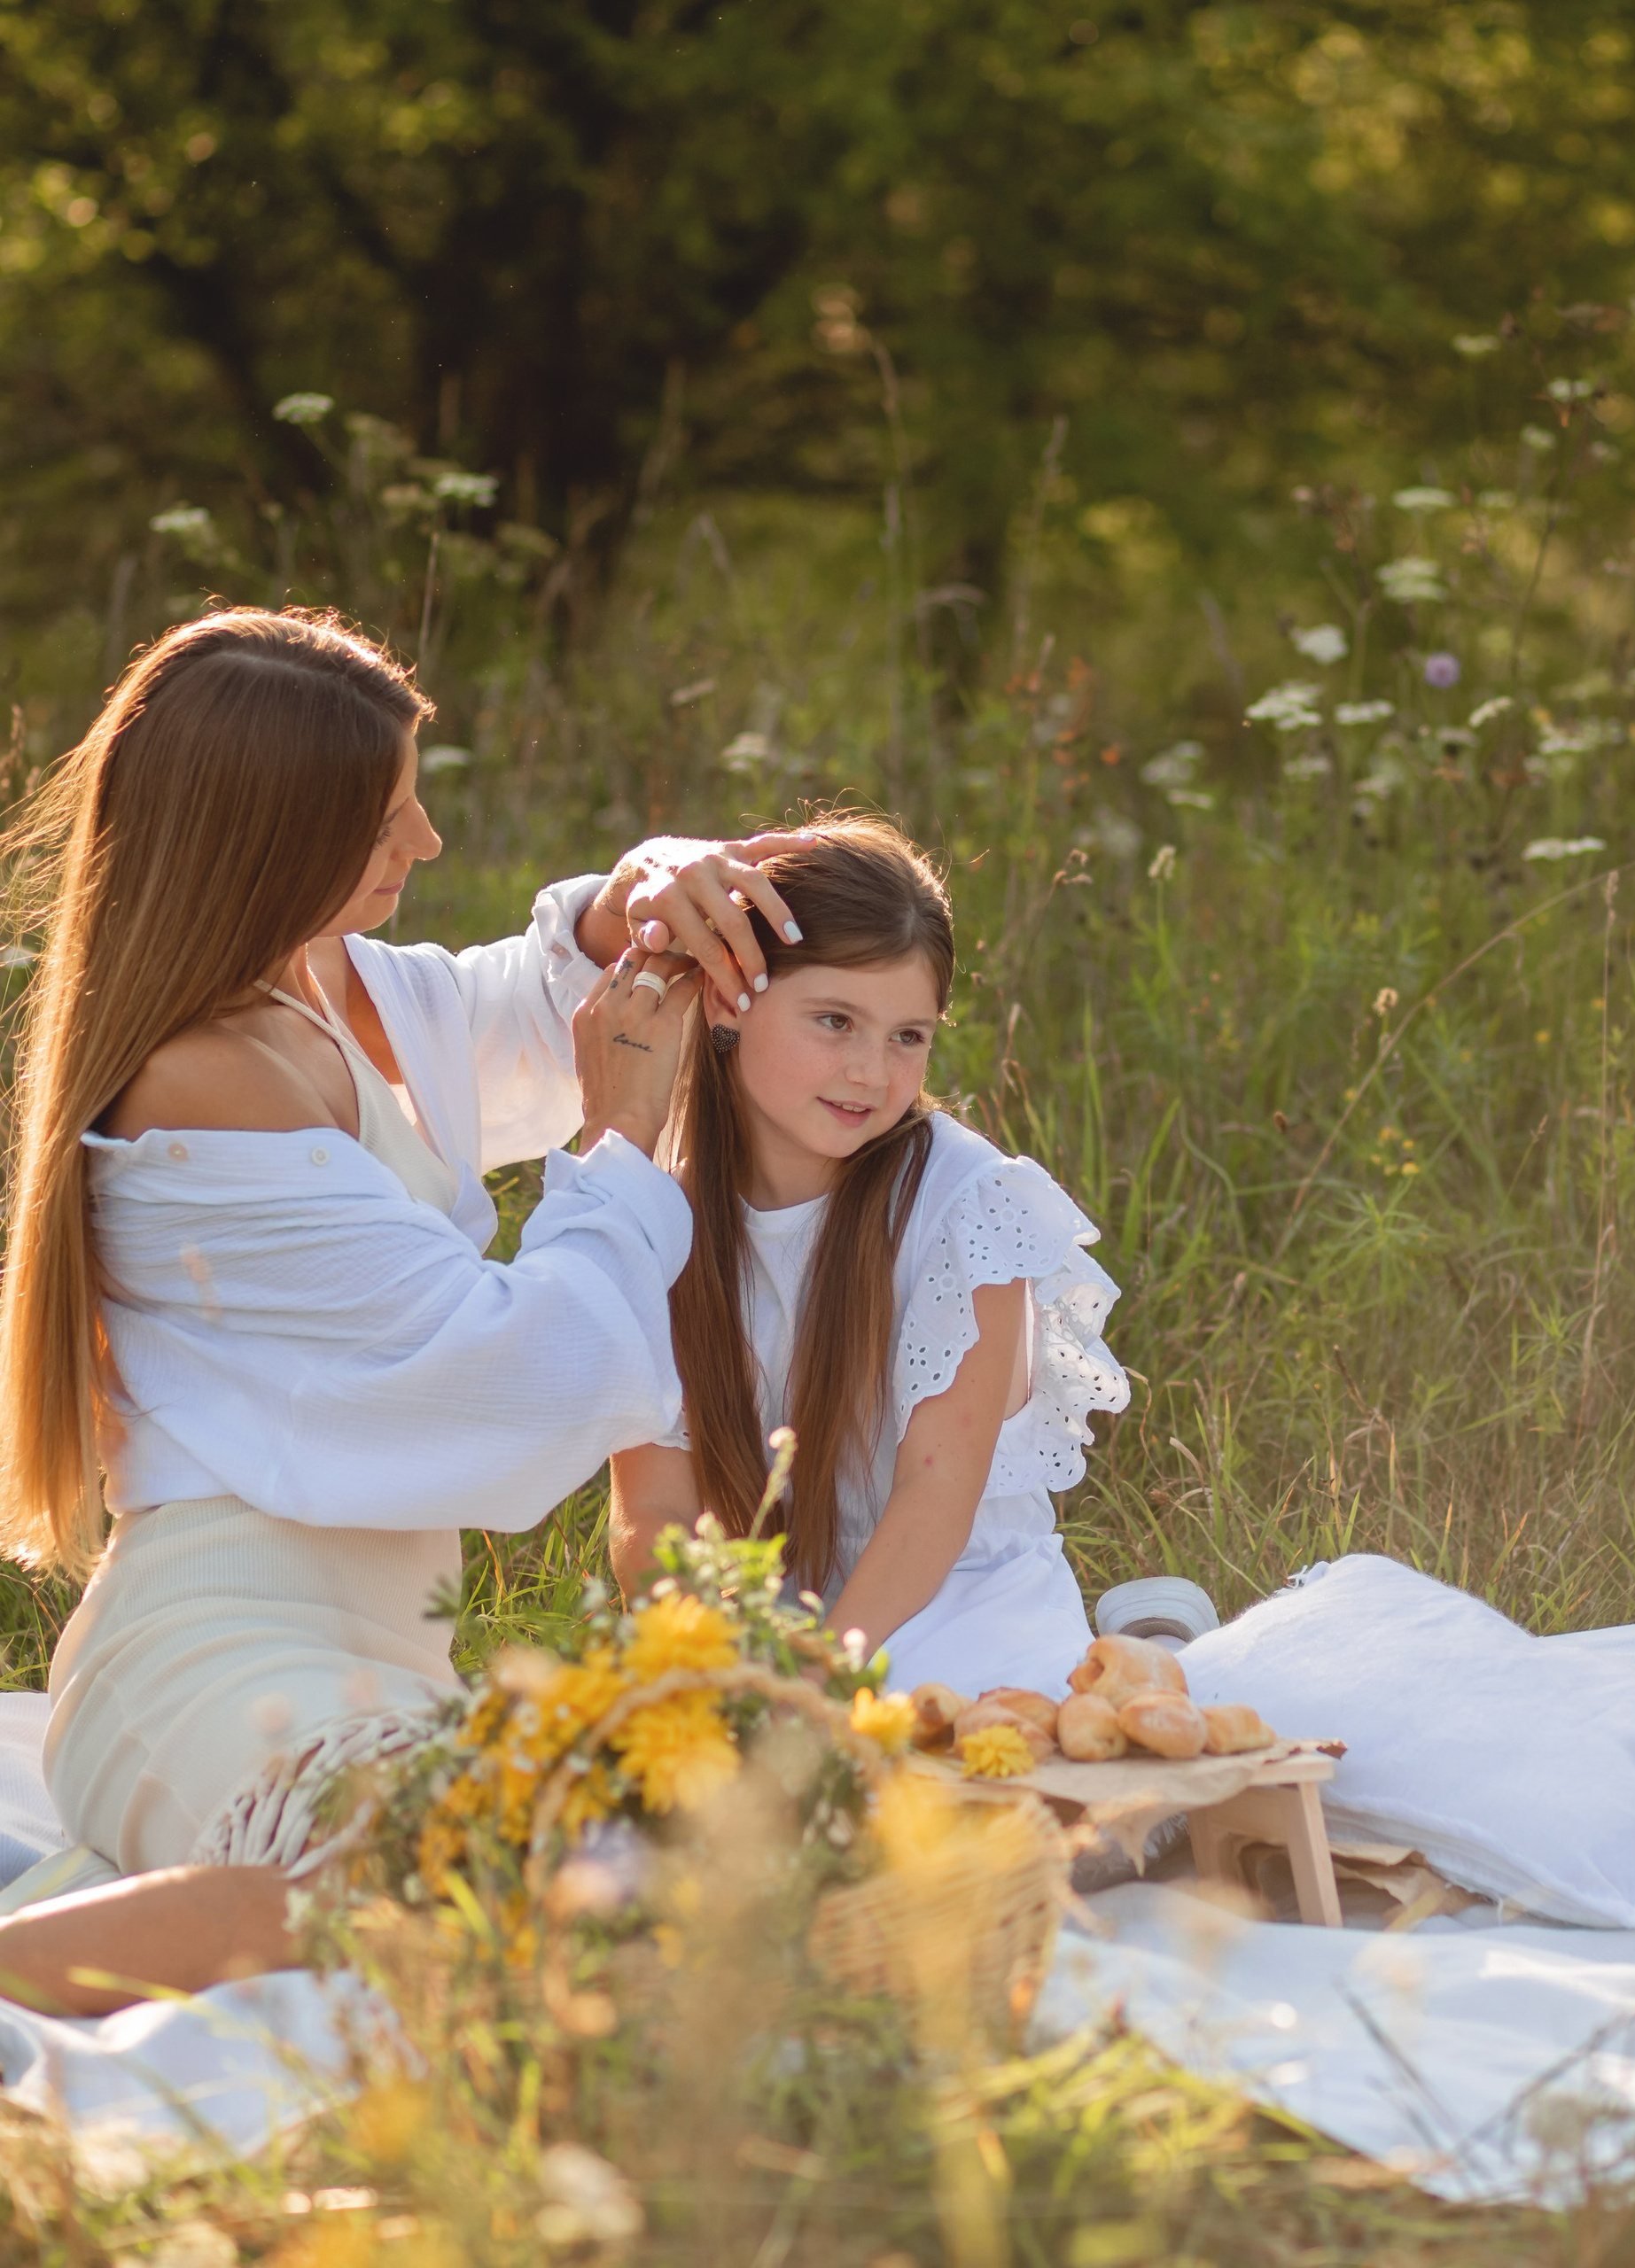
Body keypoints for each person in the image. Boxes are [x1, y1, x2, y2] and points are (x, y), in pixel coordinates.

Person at [0, 607, 805, 2013]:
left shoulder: (318, 987)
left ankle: (133, 1912)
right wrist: (619, 1127)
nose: (424, 844)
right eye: (385, 820)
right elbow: (503, 1372)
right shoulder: (211, 1078)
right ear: (270, 844)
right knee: (442, 1900)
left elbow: (503, 1012)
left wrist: (641, 894)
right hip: (216, 1653)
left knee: (610, 1897)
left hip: (369, 1660)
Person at [609, 818, 1129, 1697]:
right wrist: (716, 1662)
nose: (869, 1072)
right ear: (733, 999)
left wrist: (812, 1683)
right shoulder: (661, 1214)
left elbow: (936, 1494)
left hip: (947, 1602)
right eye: (835, 1020)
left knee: (929, 1802)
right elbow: (651, 1510)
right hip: (760, 1618)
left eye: (906, 1036)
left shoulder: (965, 1205)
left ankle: (1137, 1638)